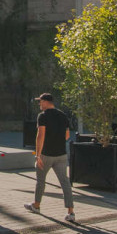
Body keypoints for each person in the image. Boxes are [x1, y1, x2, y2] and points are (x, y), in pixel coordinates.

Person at [25, 92, 75, 223]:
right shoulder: (63, 115)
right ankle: (70, 211)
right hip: (61, 155)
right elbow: (67, 135)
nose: (39, 104)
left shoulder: (43, 116)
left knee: (40, 181)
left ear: (46, 102)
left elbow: (40, 135)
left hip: (46, 154)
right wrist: (57, 140)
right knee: (65, 182)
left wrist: (38, 155)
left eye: (40, 101)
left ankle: (36, 205)